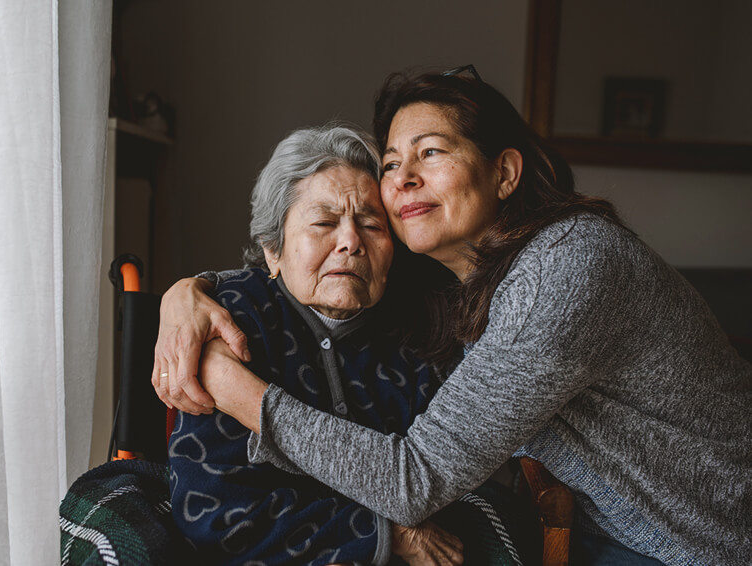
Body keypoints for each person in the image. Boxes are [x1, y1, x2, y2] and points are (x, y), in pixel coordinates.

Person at [154, 67, 752, 565]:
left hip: (696, 537)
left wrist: (231, 385)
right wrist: (186, 291)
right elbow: (297, 268)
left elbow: (414, 479)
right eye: (391, 163)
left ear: (505, 173)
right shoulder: (458, 280)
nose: (404, 177)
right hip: (612, 519)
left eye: (431, 152)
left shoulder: (563, 272)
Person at [165, 124, 478, 565]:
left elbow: (439, 488)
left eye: (371, 224)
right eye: (324, 223)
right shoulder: (229, 321)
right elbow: (217, 516)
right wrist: (384, 534)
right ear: (273, 250)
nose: (351, 242)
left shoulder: (423, 329)